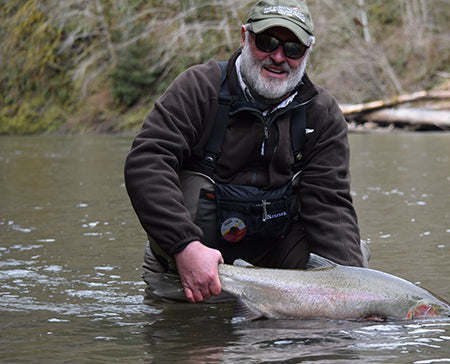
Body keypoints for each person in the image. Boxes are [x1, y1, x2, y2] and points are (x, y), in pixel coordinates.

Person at [124, 0, 369, 303]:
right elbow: (146, 162)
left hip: (276, 264)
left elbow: (330, 204)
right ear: (244, 37)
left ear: (307, 52)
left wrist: (350, 296)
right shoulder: (199, 89)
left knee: (349, 263)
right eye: (266, 42)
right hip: (189, 257)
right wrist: (183, 244)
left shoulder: (322, 113)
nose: (278, 57)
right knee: (185, 337)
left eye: (293, 49)